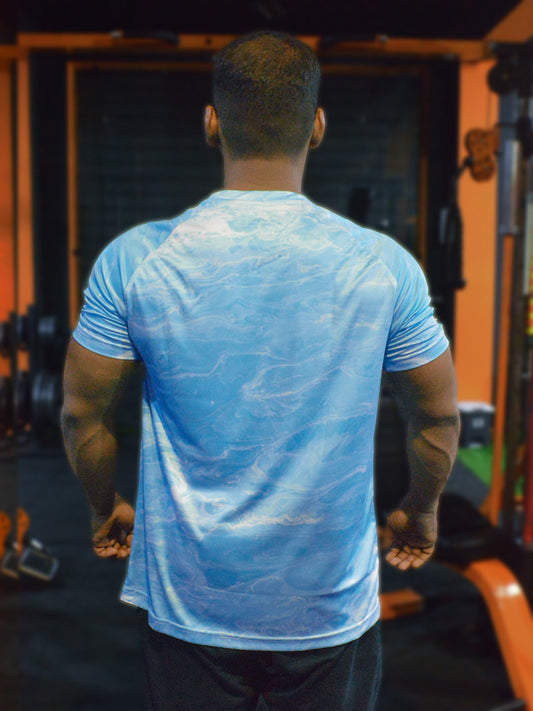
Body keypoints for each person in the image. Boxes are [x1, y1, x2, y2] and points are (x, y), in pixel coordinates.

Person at [61, 31, 460, 711]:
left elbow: (80, 414)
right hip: (328, 607)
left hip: (192, 602)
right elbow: (437, 415)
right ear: (318, 126)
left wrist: (105, 506)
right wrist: (419, 510)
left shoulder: (134, 259)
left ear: (211, 124)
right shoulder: (383, 264)